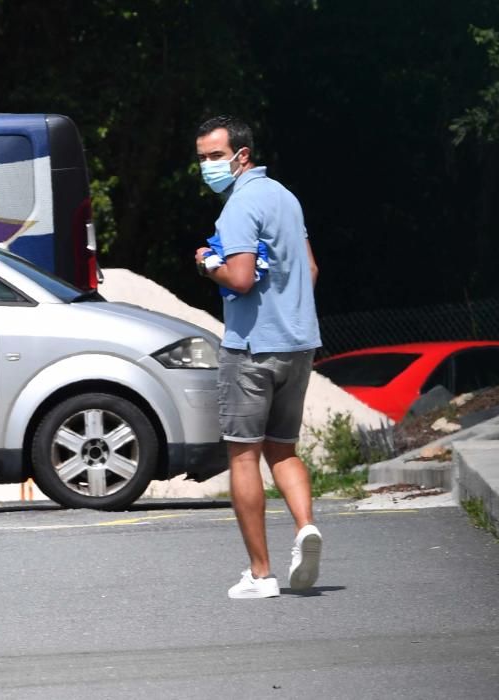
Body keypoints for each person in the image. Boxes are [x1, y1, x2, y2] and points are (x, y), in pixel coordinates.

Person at [193, 115, 323, 599]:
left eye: (214, 156)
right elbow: (309, 267)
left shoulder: (238, 207)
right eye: (202, 158)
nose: (208, 165)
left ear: (241, 155)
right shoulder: (286, 198)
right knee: (283, 448)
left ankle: (261, 573)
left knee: (243, 455)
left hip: (250, 349)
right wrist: (290, 312)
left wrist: (208, 264)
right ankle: (305, 527)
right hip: (299, 344)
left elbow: (242, 279)